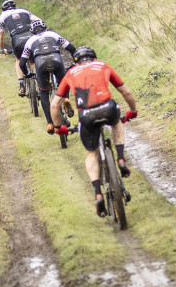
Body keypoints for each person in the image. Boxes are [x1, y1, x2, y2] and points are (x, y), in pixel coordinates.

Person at [50, 46, 139, 217]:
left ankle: (98, 193)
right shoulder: (103, 66)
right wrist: (132, 111)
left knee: (91, 153)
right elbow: (126, 91)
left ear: (76, 61)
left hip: (87, 115)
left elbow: (55, 105)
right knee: (116, 124)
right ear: (94, 57)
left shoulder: (71, 73)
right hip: (108, 108)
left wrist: (58, 127)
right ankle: (120, 158)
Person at [18, 19, 78, 134]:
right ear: (45, 28)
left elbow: (22, 63)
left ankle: (50, 123)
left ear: (32, 32)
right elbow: (71, 48)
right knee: (64, 84)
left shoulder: (30, 40)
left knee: (44, 92)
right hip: (56, 59)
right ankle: (65, 99)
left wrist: (27, 74)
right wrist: (76, 62)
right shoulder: (52, 34)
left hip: (41, 63)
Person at [0, 0, 40, 96]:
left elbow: (0, 36)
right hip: (31, 37)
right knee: (32, 61)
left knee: (19, 59)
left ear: (3, 9)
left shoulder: (3, 16)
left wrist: (1, 49)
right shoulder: (24, 11)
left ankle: (21, 85)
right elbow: (38, 20)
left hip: (17, 40)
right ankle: (40, 83)